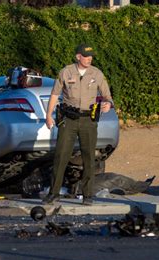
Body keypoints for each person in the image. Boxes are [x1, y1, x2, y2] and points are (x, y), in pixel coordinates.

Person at [42, 44, 113, 205]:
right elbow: (55, 94)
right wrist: (48, 115)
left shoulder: (97, 74)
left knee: (89, 157)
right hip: (69, 119)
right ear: (78, 57)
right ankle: (54, 193)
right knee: (61, 156)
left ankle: (87, 195)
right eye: (86, 56)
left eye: (91, 56)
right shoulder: (66, 72)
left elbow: (107, 95)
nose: (89, 59)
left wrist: (108, 104)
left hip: (88, 120)